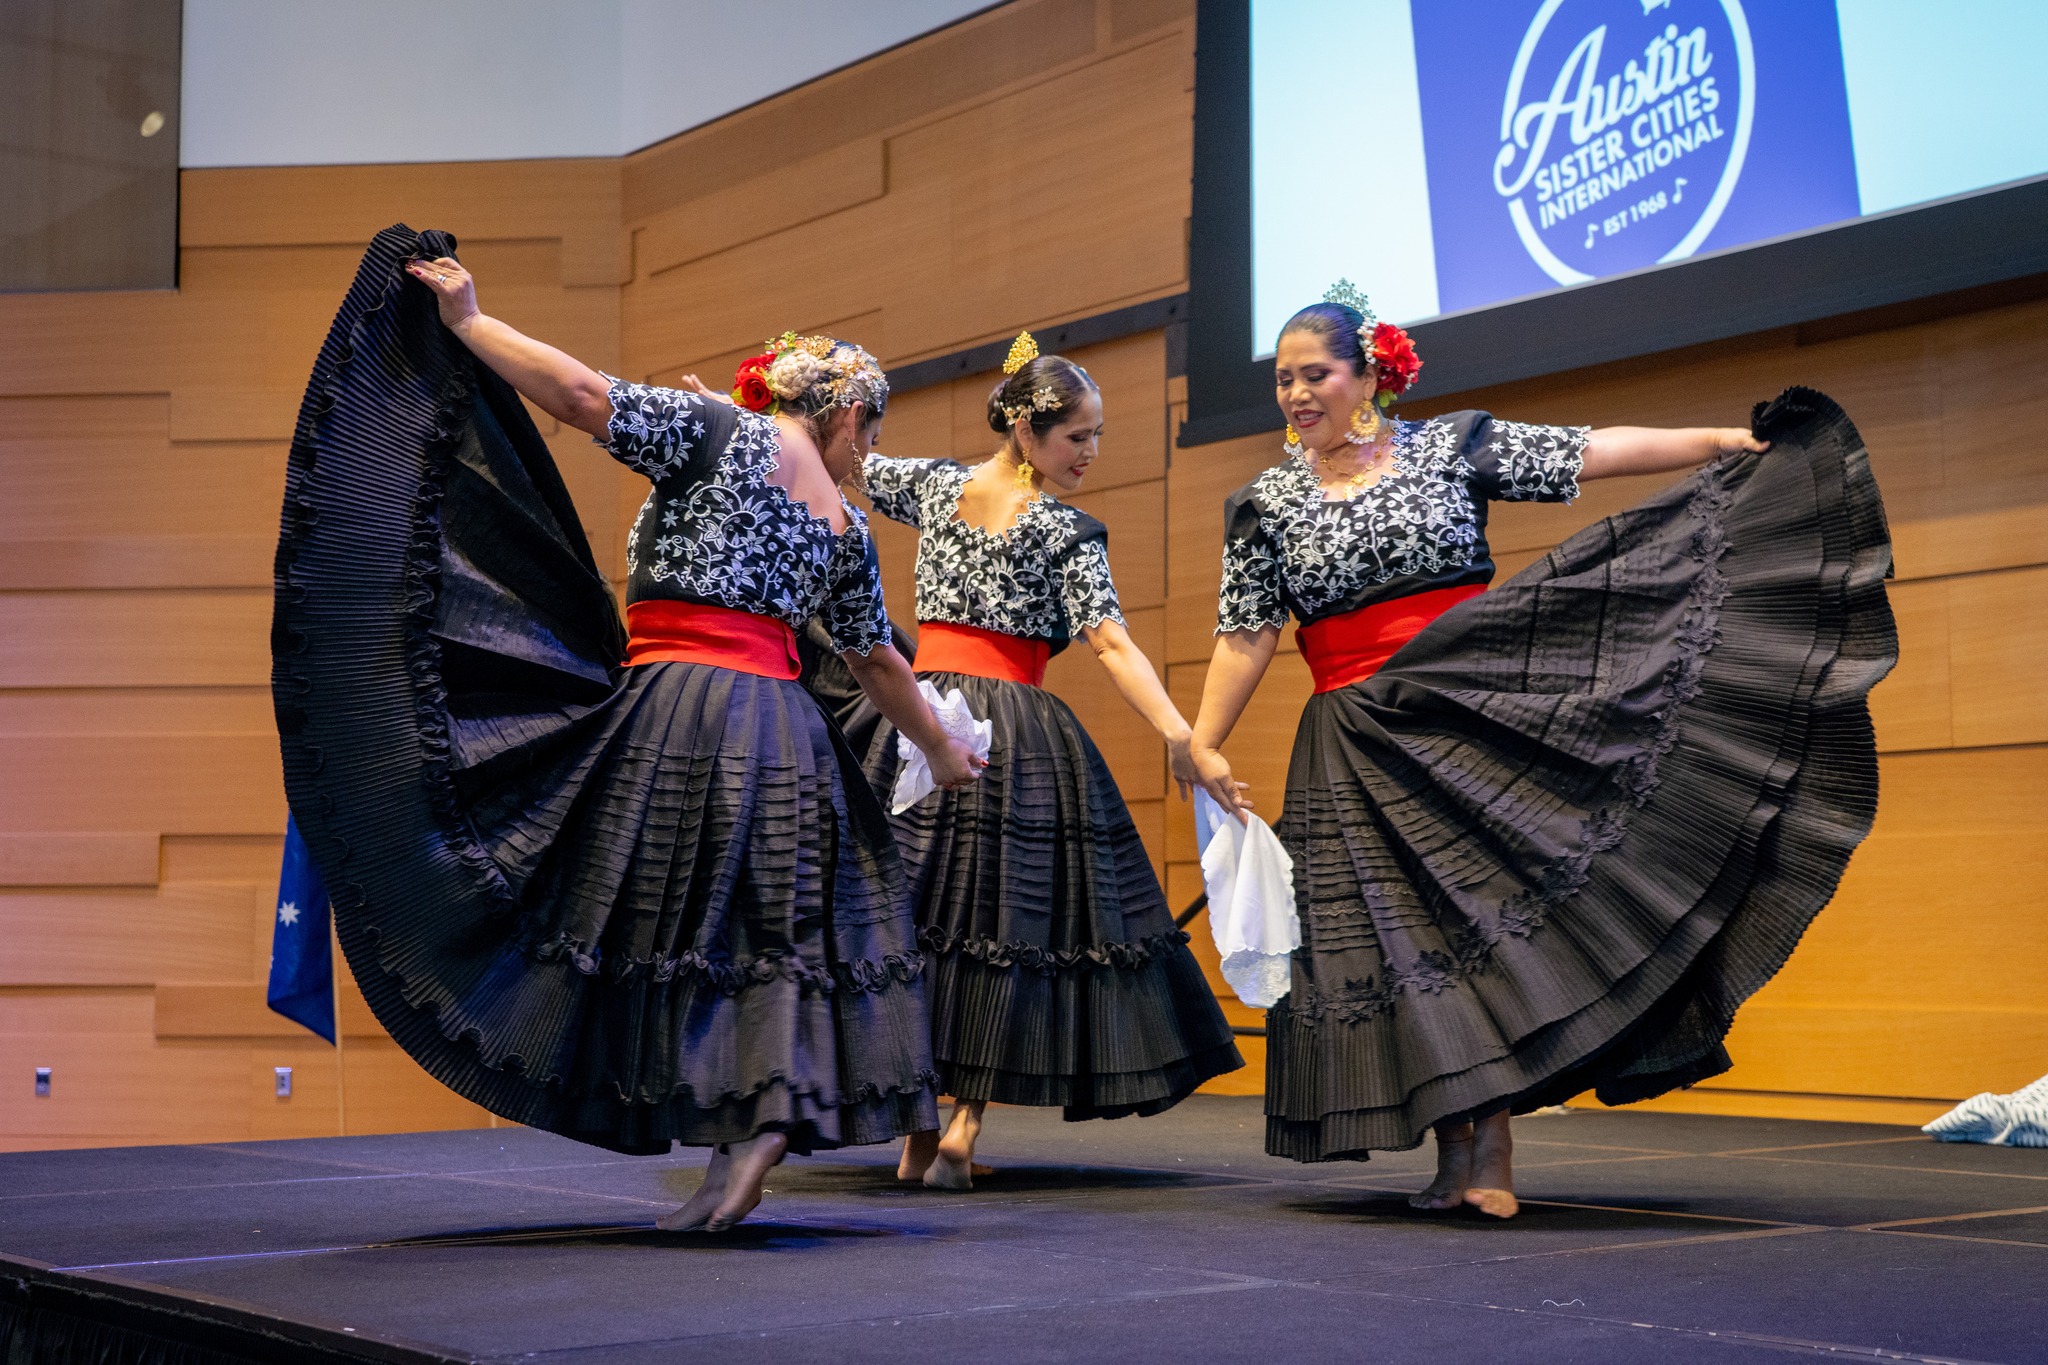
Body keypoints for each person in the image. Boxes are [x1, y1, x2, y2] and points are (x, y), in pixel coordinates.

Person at [274, 225, 982, 1235]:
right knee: (764, 928)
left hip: (682, 706)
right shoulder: (844, 525)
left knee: (649, 912)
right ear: (844, 412)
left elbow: (580, 396)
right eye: (869, 432)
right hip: (781, 728)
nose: (868, 454)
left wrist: (470, 322)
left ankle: (724, 1131)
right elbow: (877, 662)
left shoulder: (718, 432)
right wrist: (945, 749)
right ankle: (753, 1127)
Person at [1180, 282, 1896, 1218]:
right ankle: (1454, 1147)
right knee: (1398, 943)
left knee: (1486, 916)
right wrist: (1202, 741)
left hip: (1466, 706)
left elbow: (1588, 451)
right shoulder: (1263, 502)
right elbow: (1246, 635)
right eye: (1282, 380)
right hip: (1351, 737)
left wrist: (1722, 443)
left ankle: (1496, 1144)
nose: (1295, 394)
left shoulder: (1447, 447)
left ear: (1369, 377)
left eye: (1315, 374)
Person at [851, 333, 1244, 1189]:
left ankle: (924, 1134)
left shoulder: (935, 485)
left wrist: (750, 418)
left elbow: (844, 456)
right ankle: (957, 1127)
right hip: (1014, 730)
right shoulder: (1066, 531)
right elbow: (1110, 643)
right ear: (1027, 432)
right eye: (1078, 436)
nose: (1092, 454)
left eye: (1098, 435)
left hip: (924, 716)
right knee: (1002, 919)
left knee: (918, 916)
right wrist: (1180, 733)